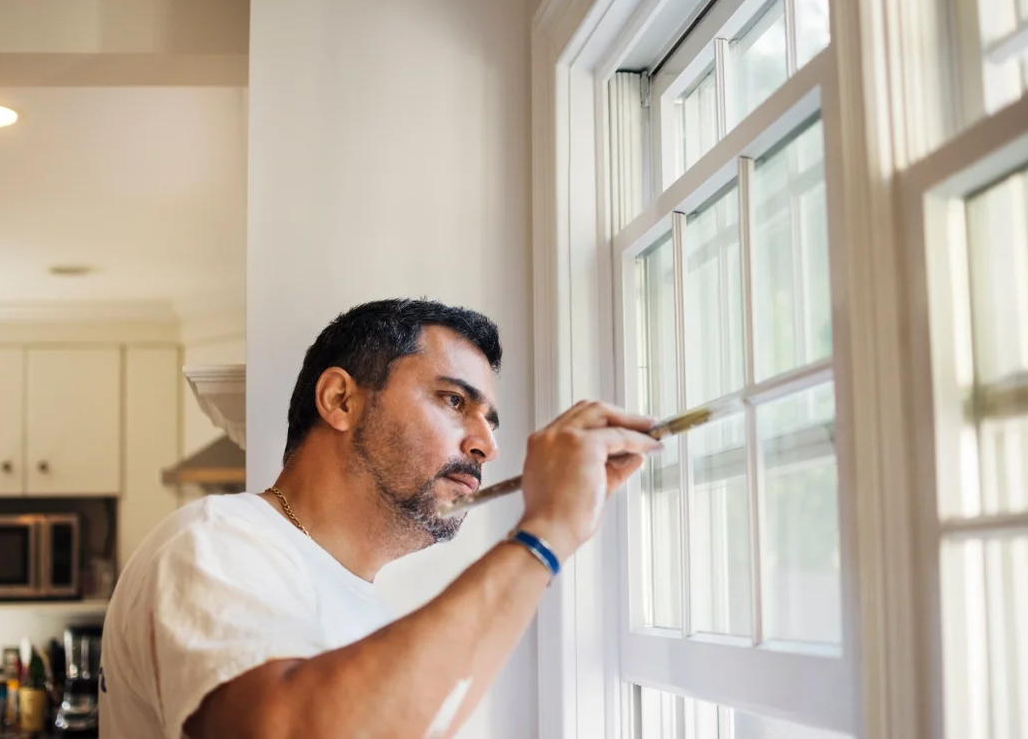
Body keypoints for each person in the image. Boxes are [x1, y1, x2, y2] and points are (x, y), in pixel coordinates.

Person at [98, 298, 661, 739]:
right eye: (454, 401)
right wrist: (546, 533)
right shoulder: (218, 540)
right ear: (340, 399)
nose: (486, 444)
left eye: (490, 419)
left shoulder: (370, 616)